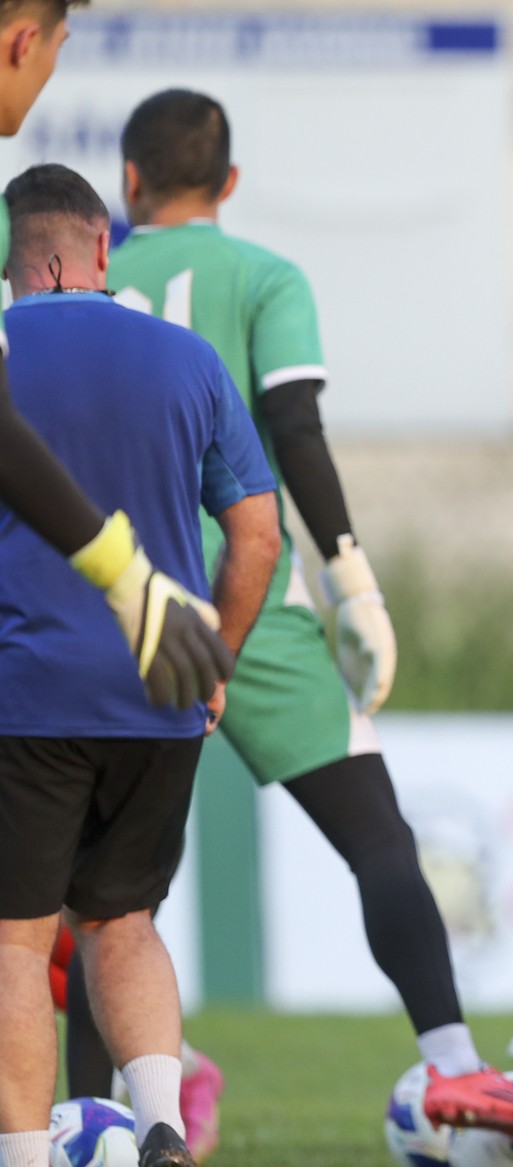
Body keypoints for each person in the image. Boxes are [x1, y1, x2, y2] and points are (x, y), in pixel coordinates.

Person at [84, 88, 513, 1152]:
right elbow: (293, 425)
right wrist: (353, 577)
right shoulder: (266, 275)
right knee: (375, 834)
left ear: (126, 185)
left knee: (92, 891)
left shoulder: (76, 266)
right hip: (241, 600)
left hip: (98, 600)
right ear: (231, 184)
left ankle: (96, 1115)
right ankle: (452, 1059)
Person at [0, 164, 280, 1167]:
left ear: (22, 258)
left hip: (26, 693)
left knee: (18, 944)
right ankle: (161, 1127)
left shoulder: (11, 354)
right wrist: (217, 662)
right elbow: (256, 531)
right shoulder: (188, 357)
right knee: (125, 921)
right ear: (100, 250)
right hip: (155, 695)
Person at [0, 0, 234, 713]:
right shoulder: (195, 352)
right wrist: (126, 577)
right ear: (23, 41)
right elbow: (258, 525)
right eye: (59, 48)